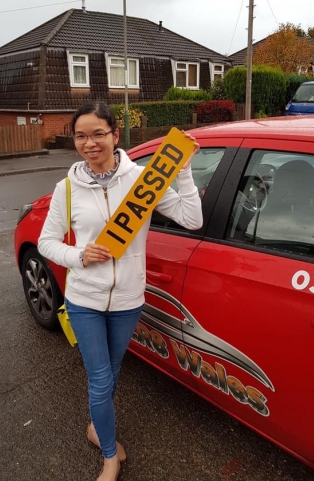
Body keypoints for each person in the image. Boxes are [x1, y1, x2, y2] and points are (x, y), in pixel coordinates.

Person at [38, 101, 203, 481]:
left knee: (111, 374)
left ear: (115, 135)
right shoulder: (67, 189)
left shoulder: (143, 180)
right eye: (81, 136)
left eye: (98, 134)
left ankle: (97, 426)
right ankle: (110, 456)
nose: (89, 143)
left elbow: (192, 220)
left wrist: (186, 169)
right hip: (84, 300)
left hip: (128, 299)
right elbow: (47, 243)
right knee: (99, 379)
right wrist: (79, 255)